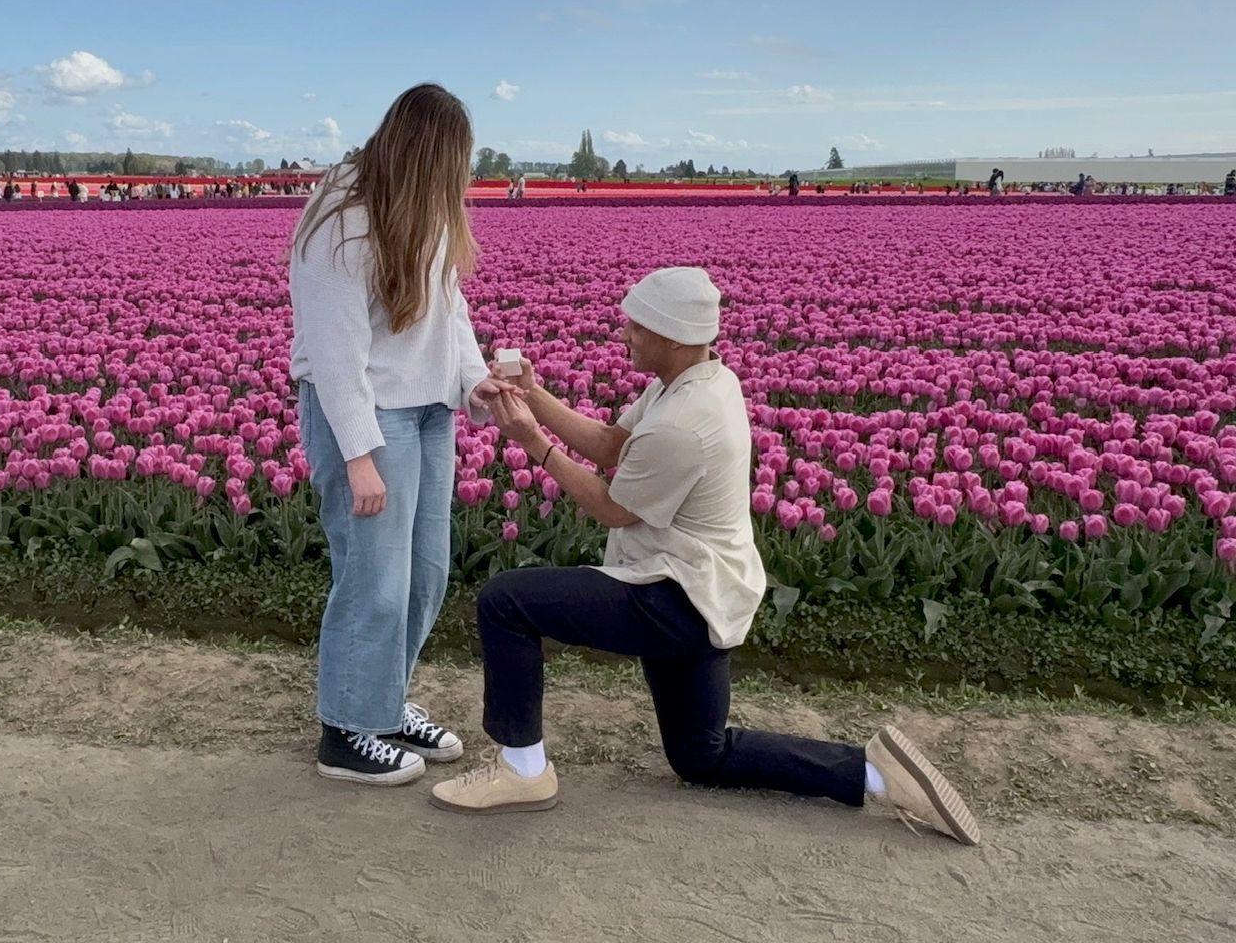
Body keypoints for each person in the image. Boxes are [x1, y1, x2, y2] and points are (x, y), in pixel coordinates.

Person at [429, 266, 982, 847]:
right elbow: (611, 445)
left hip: (672, 597)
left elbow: (613, 508)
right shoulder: (699, 381)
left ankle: (522, 771)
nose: (626, 337)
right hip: (709, 590)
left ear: (671, 337)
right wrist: (534, 394)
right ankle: (872, 773)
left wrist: (530, 442)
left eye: (637, 328)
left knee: (506, 601)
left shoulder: (684, 425)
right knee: (700, 755)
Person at [289, 83, 518, 787]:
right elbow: (334, 352)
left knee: (424, 573)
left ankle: (382, 705)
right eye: (455, 160)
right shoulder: (343, 220)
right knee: (374, 580)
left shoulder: (424, 212)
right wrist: (360, 457)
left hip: (428, 412)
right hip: (367, 417)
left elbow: (448, 311)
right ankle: (345, 732)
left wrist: (474, 381)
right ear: (427, 155)